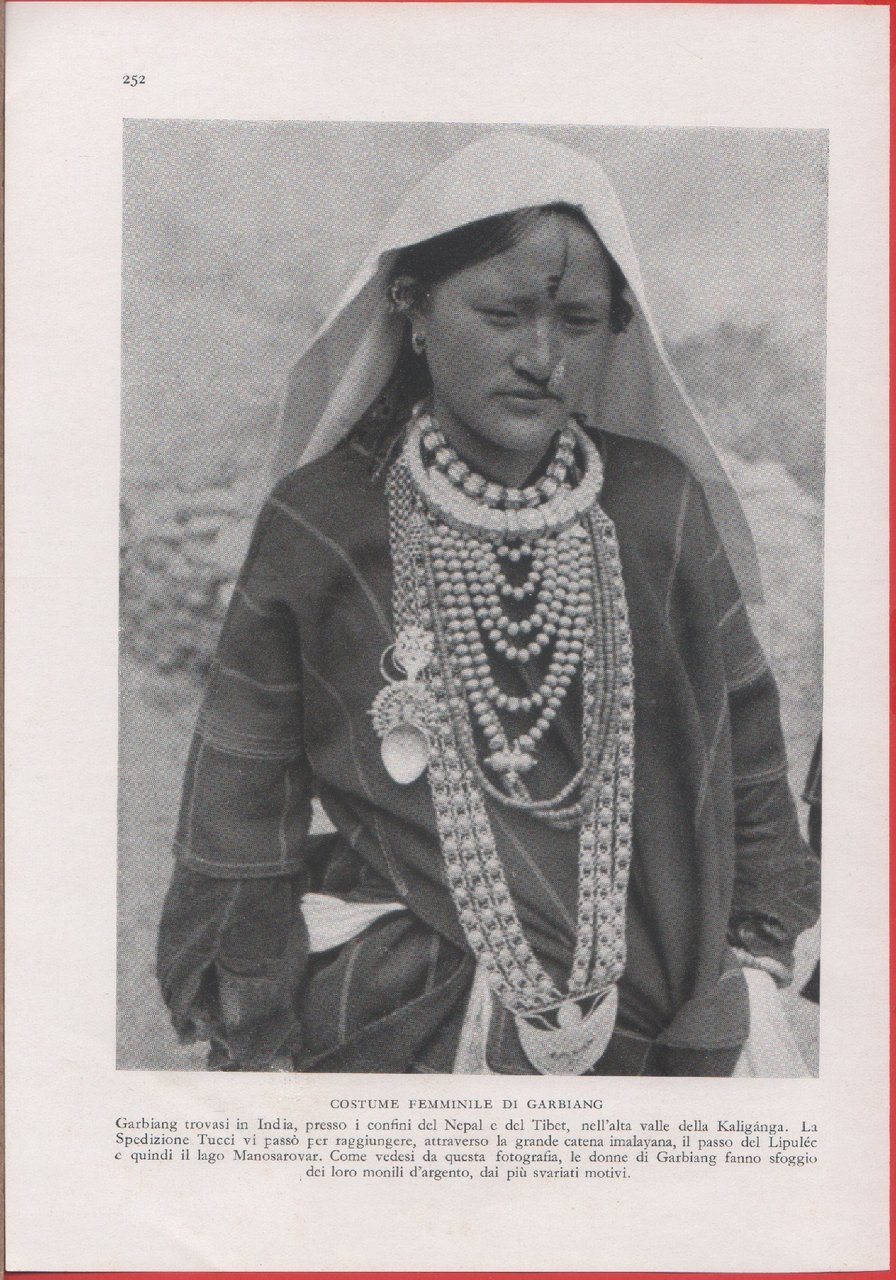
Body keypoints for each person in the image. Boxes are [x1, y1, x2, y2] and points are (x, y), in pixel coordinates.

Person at [156, 131, 820, 1075]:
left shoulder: (656, 505)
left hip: (660, 986)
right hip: (400, 998)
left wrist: (753, 949)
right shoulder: (322, 523)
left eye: (580, 322)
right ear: (412, 310)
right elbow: (243, 787)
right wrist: (254, 999)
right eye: (504, 314)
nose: (543, 358)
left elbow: (743, 742)